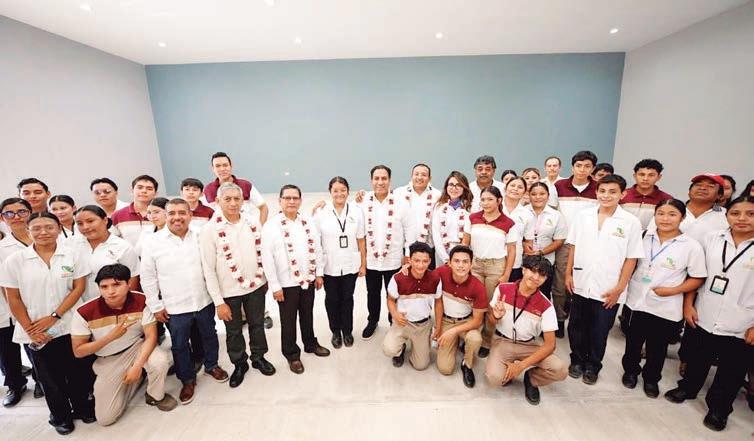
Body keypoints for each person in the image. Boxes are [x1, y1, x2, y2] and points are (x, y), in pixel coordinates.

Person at [664, 195, 754, 432]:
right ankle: (688, 388)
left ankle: (719, 409)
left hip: (742, 322)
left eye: (750, 214)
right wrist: (688, 304)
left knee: (732, 369)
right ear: (727, 215)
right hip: (704, 312)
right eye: (735, 213)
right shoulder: (713, 238)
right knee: (698, 357)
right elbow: (697, 274)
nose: (742, 218)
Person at [1, 212, 93, 435]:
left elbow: (78, 287)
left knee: (78, 370)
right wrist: (30, 330)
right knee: (49, 377)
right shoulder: (15, 261)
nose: (43, 232)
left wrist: (55, 315)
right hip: (36, 328)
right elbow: (13, 298)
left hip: (70, 323)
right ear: (28, 230)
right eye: (37, 228)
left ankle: (82, 407)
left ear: (58, 228)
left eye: (49, 227)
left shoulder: (72, 254)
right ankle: (60, 416)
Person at [140, 198, 229, 405]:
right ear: (165, 216)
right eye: (172, 213)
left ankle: (211, 365)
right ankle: (187, 380)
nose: (177, 217)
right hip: (174, 306)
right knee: (180, 345)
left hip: (203, 300)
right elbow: (148, 276)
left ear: (190, 215)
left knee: (209, 335)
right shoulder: (153, 242)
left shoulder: (200, 236)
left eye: (182, 212)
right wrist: (156, 306)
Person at [70, 264, 176, 426]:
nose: (110, 291)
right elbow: (78, 351)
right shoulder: (84, 312)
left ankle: (155, 396)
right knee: (106, 419)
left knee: (160, 360)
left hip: (136, 347)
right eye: (104, 287)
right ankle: (136, 380)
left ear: (128, 283)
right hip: (108, 359)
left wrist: (137, 366)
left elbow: (151, 337)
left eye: (116, 285)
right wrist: (110, 337)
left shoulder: (141, 300)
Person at [621, 199, 706, 398]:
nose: (665, 218)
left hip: (665, 305)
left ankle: (651, 379)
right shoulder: (643, 237)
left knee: (657, 346)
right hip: (636, 300)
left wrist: (674, 290)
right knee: (633, 341)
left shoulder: (691, 246)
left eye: (672, 214)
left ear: (682, 218)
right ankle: (630, 371)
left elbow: (698, 278)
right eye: (661, 213)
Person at [565, 174, 643, 385]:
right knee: (576, 326)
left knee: (599, 330)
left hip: (608, 287)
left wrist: (620, 288)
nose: (606, 195)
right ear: (596, 192)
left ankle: (593, 366)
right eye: (602, 191)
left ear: (622, 194)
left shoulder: (631, 222)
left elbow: (632, 258)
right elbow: (573, 246)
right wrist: (568, 274)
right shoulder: (583, 216)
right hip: (581, 281)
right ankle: (577, 361)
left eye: (612, 192)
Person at [200, 182, 275, 388]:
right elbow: (208, 268)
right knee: (233, 331)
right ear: (218, 201)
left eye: (237, 199)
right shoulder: (209, 230)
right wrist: (218, 302)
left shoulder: (252, 222)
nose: (233, 203)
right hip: (228, 292)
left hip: (255, 287)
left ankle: (259, 357)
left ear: (243, 201)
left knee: (257, 325)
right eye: (228, 199)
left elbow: (262, 253)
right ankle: (240, 364)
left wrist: (266, 280)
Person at [262, 185, 329, 374]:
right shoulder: (271, 226)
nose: (291, 201)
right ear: (280, 201)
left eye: (295, 198)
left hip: (308, 279)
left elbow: (317, 249)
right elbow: (267, 259)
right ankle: (292, 354)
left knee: (307, 315)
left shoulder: (307, 222)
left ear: (300, 200)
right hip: (285, 284)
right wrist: (275, 286)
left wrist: (318, 273)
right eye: (287, 198)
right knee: (288, 321)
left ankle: (310, 344)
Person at [485, 255, 567, 405]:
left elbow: (550, 345)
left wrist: (521, 366)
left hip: (529, 344)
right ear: (523, 270)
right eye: (533, 271)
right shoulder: (503, 289)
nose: (536, 277)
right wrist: (496, 316)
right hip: (503, 341)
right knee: (494, 378)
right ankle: (508, 372)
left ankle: (531, 378)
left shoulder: (546, 305)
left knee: (560, 370)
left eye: (542, 275)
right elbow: (491, 320)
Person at [358, 165, 416, 340]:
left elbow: (410, 230)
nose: (380, 182)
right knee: (372, 293)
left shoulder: (401, 202)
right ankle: (373, 320)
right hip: (372, 260)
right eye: (376, 178)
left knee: (394, 293)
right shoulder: (363, 202)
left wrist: (408, 255)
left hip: (394, 259)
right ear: (371, 180)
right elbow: (345, 210)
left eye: (384, 178)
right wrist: (322, 205)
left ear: (390, 180)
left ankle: (393, 322)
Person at [313, 177, 367, 349]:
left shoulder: (356, 211)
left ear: (348, 191)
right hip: (329, 265)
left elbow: (361, 239)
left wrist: (363, 264)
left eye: (343, 190)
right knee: (332, 299)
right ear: (330, 192)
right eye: (335, 190)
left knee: (347, 298)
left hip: (350, 264)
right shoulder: (322, 212)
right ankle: (335, 331)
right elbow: (315, 242)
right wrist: (318, 270)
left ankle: (347, 331)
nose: (339, 194)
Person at [464, 185, 517, 357]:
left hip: (496, 267)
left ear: (499, 200)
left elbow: (512, 251)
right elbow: (465, 242)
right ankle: (472, 336)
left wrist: (506, 274)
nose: (485, 203)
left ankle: (487, 340)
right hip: (475, 264)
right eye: (483, 200)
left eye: (490, 199)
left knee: (490, 305)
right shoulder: (473, 218)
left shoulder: (508, 223)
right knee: (474, 302)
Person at [551, 150, 599, 338]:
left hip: (589, 244)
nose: (582, 169)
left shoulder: (598, 188)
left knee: (584, 281)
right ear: (572, 167)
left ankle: (580, 321)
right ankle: (559, 319)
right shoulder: (559, 186)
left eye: (587, 166)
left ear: (593, 168)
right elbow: (552, 212)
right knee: (561, 282)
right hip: (564, 242)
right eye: (578, 165)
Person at [433, 245, 486, 387]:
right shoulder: (441, 273)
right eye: (456, 261)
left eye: (465, 262)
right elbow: (421, 274)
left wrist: (453, 331)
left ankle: (467, 364)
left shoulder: (478, 287)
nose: (461, 265)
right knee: (445, 369)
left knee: (475, 339)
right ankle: (456, 343)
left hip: (466, 322)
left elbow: (477, 321)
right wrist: (407, 268)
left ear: (471, 264)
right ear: (449, 263)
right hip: (445, 320)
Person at [382, 241, 440, 370]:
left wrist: (439, 327)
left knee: (421, 365)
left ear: (430, 261)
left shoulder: (435, 279)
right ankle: (400, 348)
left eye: (425, 261)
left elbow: (439, 302)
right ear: (410, 260)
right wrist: (395, 314)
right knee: (389, 349)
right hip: (403, 322)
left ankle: (418, 346)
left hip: (422, 325)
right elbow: (390, 300)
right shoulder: (398, 278)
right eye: (416, 260)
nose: (420, 265)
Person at [0, 198, 35, 407]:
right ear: (2, 218)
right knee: (8, 347)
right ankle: (15, 384)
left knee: (36, 346)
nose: (16, 217)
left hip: (42, 304)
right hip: (11, 306)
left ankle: (40, 380)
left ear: (30, 212)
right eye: (9, 213)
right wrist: (16, 309)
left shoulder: (44, 236)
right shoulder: (2, 247)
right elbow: (3, 284)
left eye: (21, 212)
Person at [72, 205, 140, 302]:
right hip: (79, 305)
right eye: (80, 223)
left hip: (113, 304)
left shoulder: (122, 246)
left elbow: (133, 279)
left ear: (105, 220)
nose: (85, 227)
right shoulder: (73, 245)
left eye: (90, 221)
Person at [647, 174, 728, 244]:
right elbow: (649, 237)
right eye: (698, 185)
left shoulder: (727, 216)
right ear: (689, 192)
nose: (702, 188)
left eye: (710, 186)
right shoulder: (669, 210)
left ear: (720, 195)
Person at [523, 182, 567, 300]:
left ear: (548, 196)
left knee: (542, 296)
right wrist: (524, 245)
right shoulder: (522, 212)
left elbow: (559, 240)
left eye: (542, 194)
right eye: (534, 194)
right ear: (529, 195)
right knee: (523, 292)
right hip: (524, 261)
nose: (538, 197)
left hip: (546, 262)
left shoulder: (556, 215)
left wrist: (541, 252)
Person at [393, 164, 442, 268]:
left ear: (429, 178)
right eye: (416, 174)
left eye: (423, 175)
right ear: (411, 176)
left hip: (428, 247)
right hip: (404, 248)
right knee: (405, 277)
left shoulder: (437, 195)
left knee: (428, 277)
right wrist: (362, 195)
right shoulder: (399, 193)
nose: (419, 177)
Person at [203, 152, 269, 224]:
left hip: (245, 228)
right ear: (213, 169)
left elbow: (263, 207)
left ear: (231, 166)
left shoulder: (246, 185)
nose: (222, 169)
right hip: (220, 230)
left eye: (225, 165)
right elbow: (205, 214)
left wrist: (260, 228)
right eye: (217, 166)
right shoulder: (208, 189)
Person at [431, 171, 473, 265]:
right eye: (451, 184)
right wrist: (446, 259)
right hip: (442, 253)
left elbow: (469, 234)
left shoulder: (470, 207)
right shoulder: (439, 207)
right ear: (446, 187)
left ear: (464, 187)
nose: (454, 188)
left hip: (463, 253)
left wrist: (462, 255)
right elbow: (436, 234)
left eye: (458, 185)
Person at [619, 159, 673, 230]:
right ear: (635, 176)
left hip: (652, 236)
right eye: (642, 174)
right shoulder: (621, 195)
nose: (645, 178)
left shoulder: (667, 199)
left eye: (651, 175)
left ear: (659, 177)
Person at [111, 175, 158, 247]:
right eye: (140, 187)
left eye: (149, 189)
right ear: (132, 191)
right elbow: (112, 242)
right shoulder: (117, 215)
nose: (144, 191)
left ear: (155, 194)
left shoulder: (163, 215)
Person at [502, 177, 534, 282]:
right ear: (505, 188)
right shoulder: (494, 208)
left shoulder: (527, 214)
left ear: (524, 192)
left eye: (520, 187)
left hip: (515, 263)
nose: (515, 189)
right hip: (492, 260)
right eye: (512, 185)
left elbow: (529, 242)